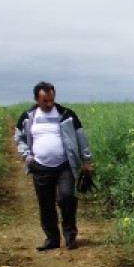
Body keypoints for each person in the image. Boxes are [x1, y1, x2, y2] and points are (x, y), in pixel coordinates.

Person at [14, 81, 92, 251]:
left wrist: (86, 161)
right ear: (36, 99)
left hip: (65, 164)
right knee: (45, 204)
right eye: (45, 101)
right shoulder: (28, 117)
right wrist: (27, 156)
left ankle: (70, 236)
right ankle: (52, 239)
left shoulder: (67, 115)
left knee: (66, 198)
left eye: (51, 100)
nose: (49, 104)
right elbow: (19, 138)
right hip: (40, 166)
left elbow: (81, 138)